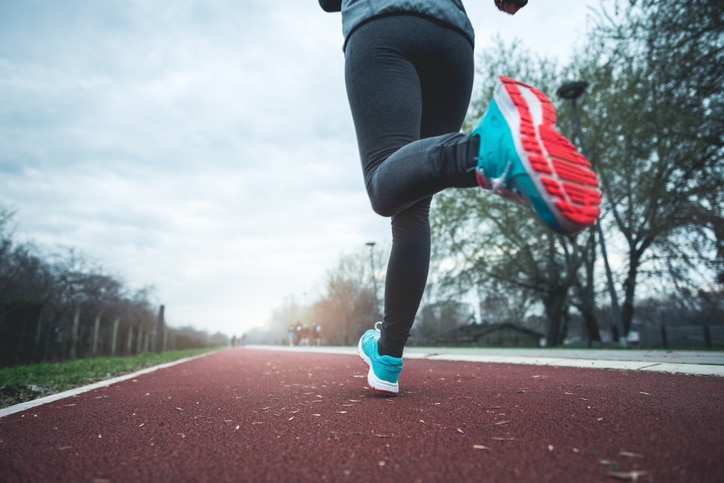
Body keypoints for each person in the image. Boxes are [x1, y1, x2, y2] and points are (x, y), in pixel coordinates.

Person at [318, 0, 601, 395]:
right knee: (412, 205)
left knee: (384, 188)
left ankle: (484, 151)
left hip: (383, 26)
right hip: (451, 41)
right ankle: (387, 354)